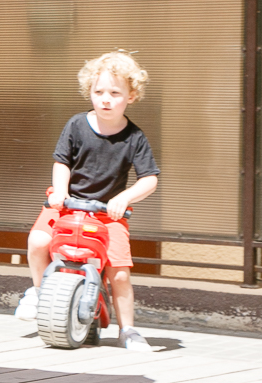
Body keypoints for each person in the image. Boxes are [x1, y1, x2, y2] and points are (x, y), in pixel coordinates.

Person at [16, 51, 160, 351]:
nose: (106, 99)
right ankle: (40, 292)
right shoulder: (77, 125)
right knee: (38, 241)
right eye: (99, 92)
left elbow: (149, 179)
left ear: (131, 96)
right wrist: (60, 191)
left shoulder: (134, 137)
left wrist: (124, 197)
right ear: (89, 92)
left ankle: (128, 330)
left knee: (119, 271)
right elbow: (62, 162)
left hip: (108, 214)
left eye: (115, 93)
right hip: (67, 205)